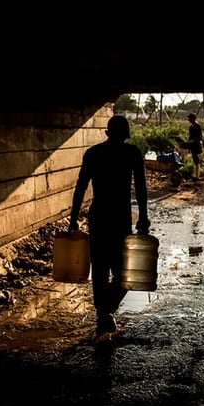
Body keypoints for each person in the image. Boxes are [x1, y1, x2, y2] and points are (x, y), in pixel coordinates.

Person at [68, 114, 151, 342]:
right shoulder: (132, 153)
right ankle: (106, 310)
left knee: (102, 267)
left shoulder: (94, 153)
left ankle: (103, 310)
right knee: (123, 270)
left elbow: (80, 187)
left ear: (107, 132)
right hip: (120, 217)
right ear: (126, 134)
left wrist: (73, 218)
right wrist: (143, 215)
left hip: (99, 216)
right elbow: (141, 188)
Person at [183, 112, 203, 180]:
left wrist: (193, 141)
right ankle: (183, 161)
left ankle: (197, 176)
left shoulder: (197, 125)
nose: (188, 119)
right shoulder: (191, 126)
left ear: (193, 118)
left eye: (189, 118)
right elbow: (190, 136)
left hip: (196, 144)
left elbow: (200, 136)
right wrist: (189, 142)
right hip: (192, 144)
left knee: (196, 159)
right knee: (182, 146)